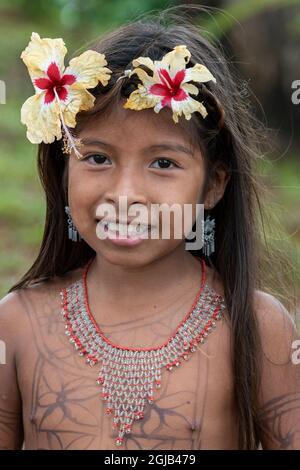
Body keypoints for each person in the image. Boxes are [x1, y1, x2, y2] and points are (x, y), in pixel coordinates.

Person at [0, 6, 299, 450]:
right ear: (64, 171)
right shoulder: (17, 321)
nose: (124, 195)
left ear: (213, 186)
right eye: (97, 158)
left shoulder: (256, 325)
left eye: (163, 163)